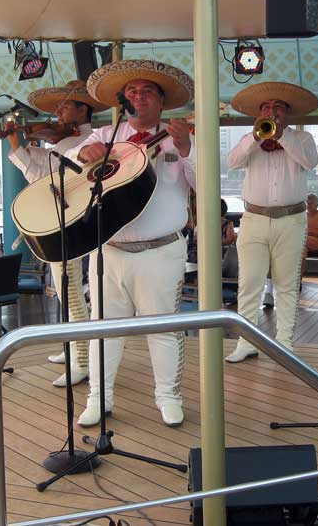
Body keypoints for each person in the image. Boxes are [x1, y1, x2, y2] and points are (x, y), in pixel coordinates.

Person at [68, 59, 195, 428]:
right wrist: (82, 155)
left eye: (148, 91)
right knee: (102, 329)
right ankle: (98, 398)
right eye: (133, 92)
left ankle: (168, 397)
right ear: (124, 100)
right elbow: (73, 164)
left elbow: (205, 187)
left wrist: (186, 147)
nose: (139, 97)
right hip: (109, 251)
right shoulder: (105, 137)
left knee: (163, 330)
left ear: (161, 102)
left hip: (161, 251)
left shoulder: (178, 138)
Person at [3, 80, 109, 387]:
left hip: (71, 222)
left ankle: (82, 361)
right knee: (66, 291)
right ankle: (73, 345)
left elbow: (42, 172)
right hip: (60, 220)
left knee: (72, 294)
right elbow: (41, 169)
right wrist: (18, 144)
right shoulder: (64, 142)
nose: (58, 114)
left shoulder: (84, 140)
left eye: (64, 107)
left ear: (82, 109)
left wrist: (20, 146)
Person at [225, 81, 318, 362]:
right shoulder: (250, 139)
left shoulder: (302, 139)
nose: (272, 111)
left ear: (288, 112)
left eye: (278, 106)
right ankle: (246, 342)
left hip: (291, 220)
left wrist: (282, 136)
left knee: (287, 284)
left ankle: (285, 343)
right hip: (253, 219)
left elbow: (309, 162)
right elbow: (232, 162)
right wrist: (255, 137)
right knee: (249, 283)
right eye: (266, 107)